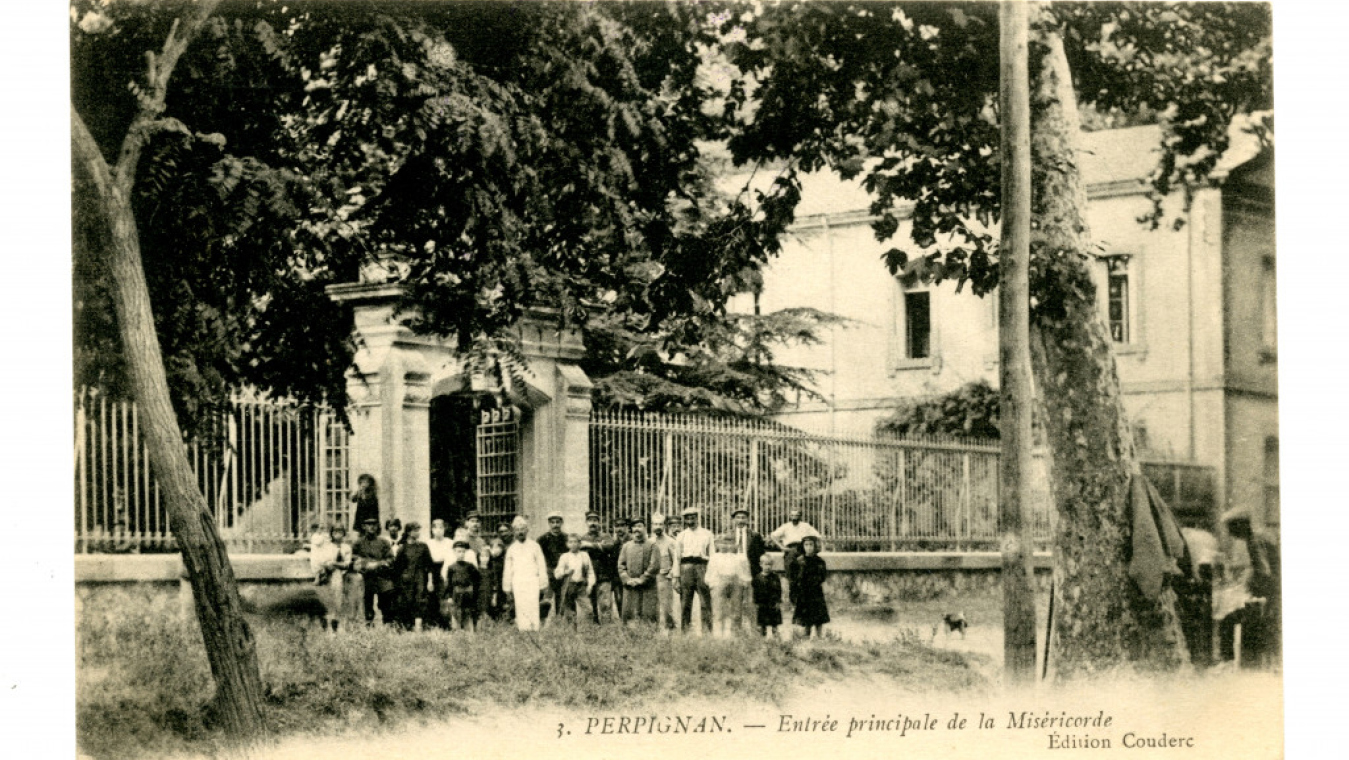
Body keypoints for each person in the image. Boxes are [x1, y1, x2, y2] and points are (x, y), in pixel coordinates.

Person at [1219, 509, 1280, 668]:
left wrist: (1253, 591)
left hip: (1268, 598)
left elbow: (1264, 571)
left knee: (1227, 621)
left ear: (1240, 526)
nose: (1230, 533)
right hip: (1270, 596)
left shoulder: (1254, 541)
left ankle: (1229, 663)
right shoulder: (1258, 537)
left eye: (1231, 528)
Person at [503, 516, 550, 631]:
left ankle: (534, 628)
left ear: (527, 530)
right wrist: (507, 586)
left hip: (532, 581)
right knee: (521, 606)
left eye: (523, 529)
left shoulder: (535, 546)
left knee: (533, 605)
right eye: (518, 530)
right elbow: (508, 569)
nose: (520, 532)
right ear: (514, 532)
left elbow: (541, 565)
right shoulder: (512, 549)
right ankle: (523, 630)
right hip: (518, 582)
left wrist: (543, 583)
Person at [724, 506, 766, 630]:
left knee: (752, 600)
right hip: (734, 571)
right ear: (733, 520)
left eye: (743, 517)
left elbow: (761, 555)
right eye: (738, 517)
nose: (741, 520)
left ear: (747, 519)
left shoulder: (755, 536)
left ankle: (755, 628)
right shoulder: (728, 536)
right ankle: (736, 629)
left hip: (751, 571)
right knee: (735, 601)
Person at [674, 506, 714, 633]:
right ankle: (685, 630)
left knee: (705, 602)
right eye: (687, 519)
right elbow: (677, 557)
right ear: (685, 520)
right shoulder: (681, 535)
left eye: (693, 518)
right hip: (686, 568)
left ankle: (708, 631)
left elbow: (712, 556)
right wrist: (676, 577)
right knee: (685, 601)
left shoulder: (707, 534)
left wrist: (712, 574)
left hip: (702, 567)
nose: (690, 521)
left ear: (697, 518)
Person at [770, 508, 820, 607]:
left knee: (804, 575)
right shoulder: (786, 526)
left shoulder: (805, 526)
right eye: (792, 515)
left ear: (800, 516)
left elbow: (817, 536)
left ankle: (805, 602)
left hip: (803, 550)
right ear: (789, 516)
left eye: (797, 515)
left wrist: (813, 549)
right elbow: (773, 535)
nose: (794, 517)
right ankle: (794, 603)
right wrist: (782, 547)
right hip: (790, 551)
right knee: (791, 577)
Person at [351, 516, 396, 626]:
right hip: (366, 577)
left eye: (374, 525)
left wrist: (378, 564)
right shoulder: (358, 543)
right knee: (367, 601)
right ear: (364, 527)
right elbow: (352, 556)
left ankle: (388, 623)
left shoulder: (384, 542)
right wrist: (365, 564)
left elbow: (390, 558)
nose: (371, 527)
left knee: (387, 596)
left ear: (377, 527)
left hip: (381, 575)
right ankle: (369, 623)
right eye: (368, 525)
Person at [707, 535, 751, 638]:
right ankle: (717, 635)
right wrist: (712, 584)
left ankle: (735, 634)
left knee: (736, 610)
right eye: (723, 544)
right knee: (718, 610)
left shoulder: (741, 557)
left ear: (735, 545)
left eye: (730, 544)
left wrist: (744, 583)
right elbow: (710, 573)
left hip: (736, 582)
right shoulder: (715, 557)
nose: (727, 546)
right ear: (718, 545)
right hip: (719, 581)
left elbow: (746, 573)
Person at [310, 523, 352, 633]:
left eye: (340, 532)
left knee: (338, 591)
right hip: (328, 574)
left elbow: (347, 564)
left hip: (341, 574)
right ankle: (328, 622)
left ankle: (337, 622)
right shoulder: (328, 546)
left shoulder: (346, 547)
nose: (337, 534)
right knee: (328, 597)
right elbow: (323, 560)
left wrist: (335, 564)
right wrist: (329, 565)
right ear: (331, 534)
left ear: (344, 534)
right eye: (335, 532)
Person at [391, 522, 433, 630]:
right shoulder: (403, 548)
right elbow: (397, 568)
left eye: (418, 530)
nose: (418, 533)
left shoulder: (423, 546)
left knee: (420, 601)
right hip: (406, 579)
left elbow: (429, 565)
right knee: (406, 601)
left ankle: (418, 627)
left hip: (420, 578)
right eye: (415, 530)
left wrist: (430, 581)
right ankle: (406, 626)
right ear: (409, 532)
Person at [618, 518, 660, 624]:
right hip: (630, 586)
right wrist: (627, 579)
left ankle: (649, 636)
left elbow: (654, 565)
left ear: (645, 528)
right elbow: (621, 565)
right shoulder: (626, 546)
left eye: (640, 526)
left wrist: (642, 579)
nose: (637, 529)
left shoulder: (652, 545)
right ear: (631, 529)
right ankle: (630, 637)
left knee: (648, 616)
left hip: (647, 586)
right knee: (630, 617)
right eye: (634, 526)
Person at [579, 512, 618, 624]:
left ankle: (606, 630)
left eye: (595, 520)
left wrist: (590, 545)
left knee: (605, 605)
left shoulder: (605, 536)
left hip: (603, 575)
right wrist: (599, 546)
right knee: (589, 605)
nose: (593, 523)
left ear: (599, 522)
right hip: (588, 577)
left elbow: (609, 547)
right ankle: (592, 629)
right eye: (590, 520)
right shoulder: (582, 538)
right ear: (586, 523)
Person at [554, 533, 596, 629]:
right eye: (570, 542)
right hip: (569, 586)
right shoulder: (564, 557)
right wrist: (565, 572)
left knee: (588, 610)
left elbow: (590, 572)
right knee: (570, 612)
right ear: (567, 544)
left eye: (576, 542)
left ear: (580, 544)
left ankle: (588, 631)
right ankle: (572, 632)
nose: (573, 544)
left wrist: (590, 585)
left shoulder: (584, 555)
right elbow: (557, 574)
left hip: (581, 586)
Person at [791, 535, 830, 638]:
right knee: (805, 615)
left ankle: (819, 635)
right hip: (804, 591)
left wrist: (815, 582)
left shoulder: (819, 561)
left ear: (815, 546)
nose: (808, 547)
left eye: (811, 545)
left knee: (818, 615)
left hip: (816, 591)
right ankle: (806, 636)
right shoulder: (799, 561)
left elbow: (822, 576)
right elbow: (795, 577)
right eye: (806, 545)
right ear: (802, 546)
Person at [537, 512, 570, 625]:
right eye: (552, 522)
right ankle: (542, 623)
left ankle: (559, 623)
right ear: (549, 523)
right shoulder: (542, 539)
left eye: (558, 522)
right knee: (546, 601)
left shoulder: (567, 538)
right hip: (548, 574)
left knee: (562, 601)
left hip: (563, 574)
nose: (555, 525)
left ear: (561, 523)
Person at [444, 539, 483, 632]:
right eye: (458, 551)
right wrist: (449, 596)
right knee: (456, 612)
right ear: (454, 552)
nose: (461, 554)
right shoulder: (451, 567)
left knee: (467, 612)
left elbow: (477, 579)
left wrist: (474, 592)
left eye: (463, 552)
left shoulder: (470, 566)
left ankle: (469, 632)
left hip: (468, 594)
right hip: (456, 594)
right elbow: (449, 584)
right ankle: (456, 631)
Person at [649, 513, 679, 631]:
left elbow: (676, 559)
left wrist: (672, 574)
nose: (658, 527)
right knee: (652, 604)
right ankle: (654, 628)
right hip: (651, 577)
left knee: (666, 605)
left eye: (660, 524)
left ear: (664, 526)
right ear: (651, 525)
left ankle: (669, 629)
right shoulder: (649, 541)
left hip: (665, 577)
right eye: (655, 524)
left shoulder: (670, 542)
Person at [424, 519, 455, 628]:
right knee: (432, 596)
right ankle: (432, 622)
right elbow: (428, 562)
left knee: (444, 596)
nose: (438, 530)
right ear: (432, 530)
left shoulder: (450, 542)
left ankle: (445, 623)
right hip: (432, 570)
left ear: (444, 529)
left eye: (441, 527)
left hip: (446, 569)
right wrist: (430, 579)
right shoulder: (428, 543)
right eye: (435, 527)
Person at [752, 568, 784, 638]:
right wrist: (756, 601)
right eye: (766, 564)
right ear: (761, 564)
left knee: (774, 617)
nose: (768, 566)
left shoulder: (775, 577)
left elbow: (779, 589)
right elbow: (755, 591)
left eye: (770, 564)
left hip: (773, 601)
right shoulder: (758, 577)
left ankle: (775, 632)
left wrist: (778, 601)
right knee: (763, 618)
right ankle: (763, 633)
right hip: (762, 601)